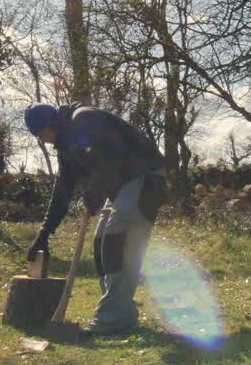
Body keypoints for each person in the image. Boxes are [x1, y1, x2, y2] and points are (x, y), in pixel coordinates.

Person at [24, 102, 167, 337]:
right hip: (120, 185)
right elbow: (63, 190)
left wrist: (94, 192)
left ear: (51, 124)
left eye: (42, 134)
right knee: (101, 243)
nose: (43, 140)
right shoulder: (66, 146)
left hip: (145, 177)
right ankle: (121, 315)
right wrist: (44, 233)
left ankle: (112, 319)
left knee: (116, 241)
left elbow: (112, 156)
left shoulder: (84, 119)